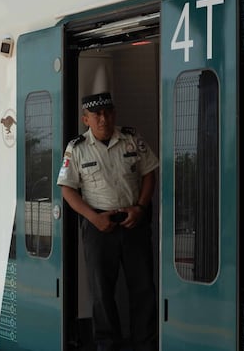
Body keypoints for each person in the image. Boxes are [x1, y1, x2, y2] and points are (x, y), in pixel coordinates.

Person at [57, 92, 158, 351]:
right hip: (99, 225)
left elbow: (148, 174)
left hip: (133, 221)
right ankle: (107, 346)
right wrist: (93, 218)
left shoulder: (131, 139)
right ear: (86, 119)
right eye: (96, 114)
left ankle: (145, 344)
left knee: (143, 288)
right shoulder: (76, 148)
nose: (103, 118)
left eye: (108, 112)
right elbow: (68, 190)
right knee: (102, 293)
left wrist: (140, 208)